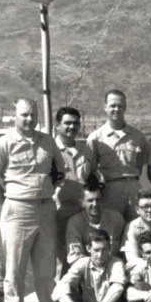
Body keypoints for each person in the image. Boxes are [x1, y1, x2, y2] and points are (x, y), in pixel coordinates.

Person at [0, 97, 66, 302]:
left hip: (46, 209)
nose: (30, 119)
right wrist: (8, 203)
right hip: (17, 211)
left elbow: (59, 172)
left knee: (46, 268)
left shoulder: (48, 142)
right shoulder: (2, 144)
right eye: (25, 115)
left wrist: (48, 190)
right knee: (15, 270)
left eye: (33, 115)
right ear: (15, 114)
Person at [86, 89, 148, 221]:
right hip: (110, 189)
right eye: (113, 105)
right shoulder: (95, 137)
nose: (116, 109)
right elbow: (92, 168)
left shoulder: (137, 136)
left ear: (125, 108)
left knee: (138, 226)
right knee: (112, 228)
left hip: (133, 187)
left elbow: (140, 164)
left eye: (120, 106)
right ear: (105, 107)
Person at [53, 106, 94, 272]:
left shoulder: (85, 150)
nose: (72, 127)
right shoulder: (50, 150)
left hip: (82, 210)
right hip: (59, 209)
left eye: (76, 123)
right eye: (67, 123)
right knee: (58, 256)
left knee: (81, 254)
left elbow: (92, 177)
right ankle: (56, 294)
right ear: (57, 125)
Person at [65, 182, 126, 266]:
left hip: (114, 266)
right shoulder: (75, 223)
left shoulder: (116, 218)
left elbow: (126, 250)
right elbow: (74, 257)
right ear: (81, 203)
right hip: (87, 270)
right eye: (90, 200)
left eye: (98, 200)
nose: (95, 204)